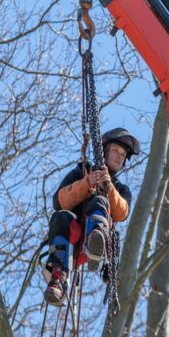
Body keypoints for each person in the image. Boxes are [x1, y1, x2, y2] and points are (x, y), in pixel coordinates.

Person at [43, 128, 141, 306]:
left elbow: (122, 213)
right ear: (104, 152)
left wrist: (108, 189)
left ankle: (95, 239)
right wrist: (86, 183)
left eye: (123, 154)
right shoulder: (79, 173)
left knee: (99, 201)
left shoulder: (121, 189)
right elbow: (59, 202)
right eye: (115, 151)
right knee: (61, 216)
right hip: (70, 241)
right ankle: (58, 277)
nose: (120, 156)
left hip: (97, 242)